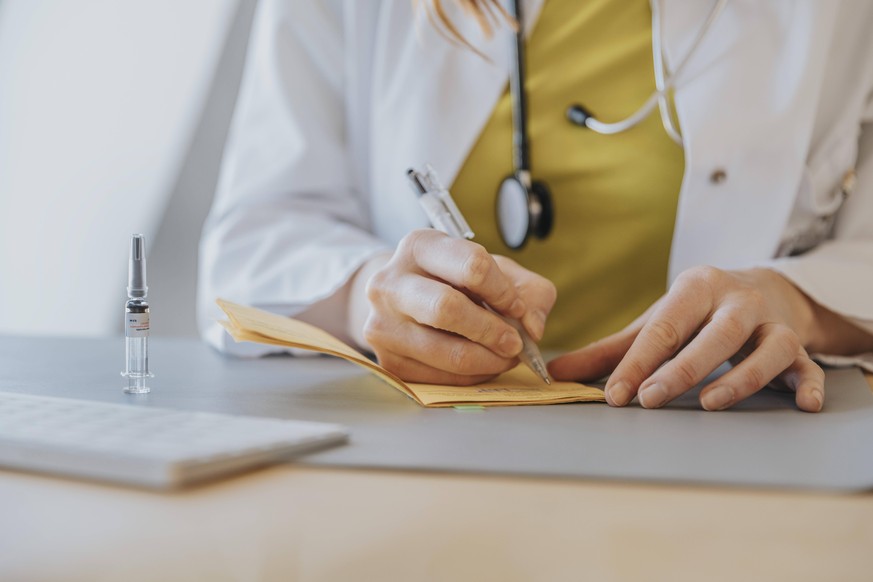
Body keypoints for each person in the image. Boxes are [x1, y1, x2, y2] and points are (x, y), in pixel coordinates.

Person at [198, 0, 873, 412]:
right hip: (432, 448)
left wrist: (794, 301)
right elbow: (250, 244)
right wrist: (370, 296)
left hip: (729, 443)